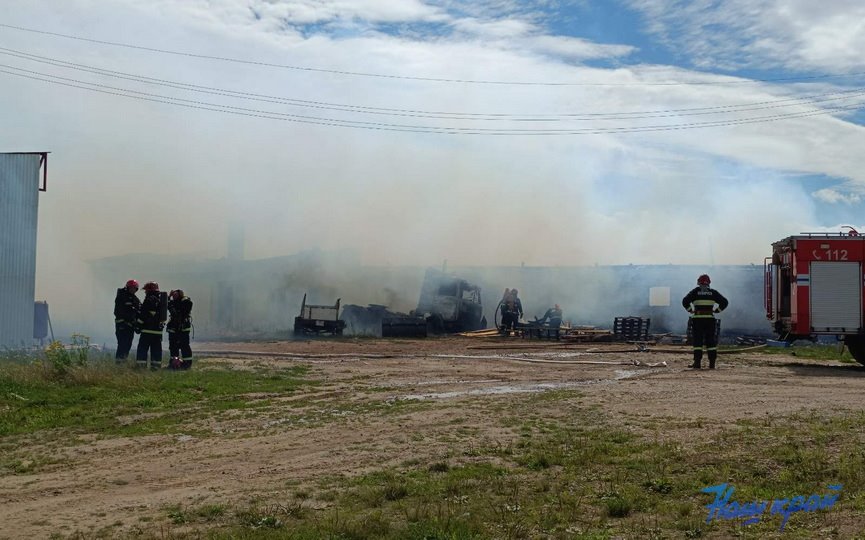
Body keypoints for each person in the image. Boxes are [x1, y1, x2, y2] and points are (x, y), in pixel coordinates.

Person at [682, 274, 729, 369]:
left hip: (698, 319)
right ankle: (712, 364)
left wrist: (690, 310)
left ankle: (697, 363)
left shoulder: (695, 292)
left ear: (699, 282)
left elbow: (685, 301)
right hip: (710, 320)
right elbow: (725, 302)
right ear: (709, 283)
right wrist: (717, 310)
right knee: (711, 341)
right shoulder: (713, 292)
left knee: (698, 342)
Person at [136, 281, 166, 370]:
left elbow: (143, 314)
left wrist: (138, 325)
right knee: (156, 350)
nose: (145, 292)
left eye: (146, 290)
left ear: (150, 290)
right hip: (157, 332)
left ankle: (141, 368)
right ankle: (155, 368)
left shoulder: (149, 299)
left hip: (147, 331)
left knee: (142, 349)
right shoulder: (161, 299)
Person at [113, 279, 141, 362]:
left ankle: (123, 361)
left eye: (134, 288)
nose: (133, 289)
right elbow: (117, 312)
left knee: (128, 345)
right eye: (131, 288)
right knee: (122, 345)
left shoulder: (135, 299)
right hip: (122, 326)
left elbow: (139, 310)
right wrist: (125, 320)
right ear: (128, 287)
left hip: (131, 326)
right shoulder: (122, 296)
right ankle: (119, 364)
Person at [167, 289, 194, 370]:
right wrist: (169, 297)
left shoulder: (185, 302)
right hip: (173, 328)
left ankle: (187, 364)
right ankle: (173, 363)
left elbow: (178, 312)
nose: (174, 296)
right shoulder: (172, 303)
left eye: (176, 294)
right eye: (173, 295)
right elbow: (168, 306)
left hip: (183, 329)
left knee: (184, 346)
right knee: (173, 346)